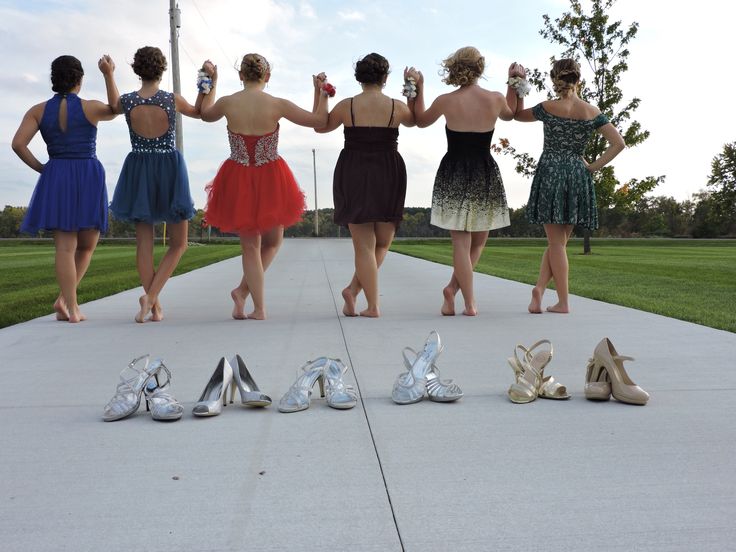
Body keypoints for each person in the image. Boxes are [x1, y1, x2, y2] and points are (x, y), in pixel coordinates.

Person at [199, 54, 329, 320]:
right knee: (269, 242)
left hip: (237, 175)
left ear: (241, 76)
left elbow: (205, 114)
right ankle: (257, 307)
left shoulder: (227, 102)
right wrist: (321, 93)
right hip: (270, 175)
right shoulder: (276, 103)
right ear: (267, 77)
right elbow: (319, 120)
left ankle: (243, 293)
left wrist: (210, 83)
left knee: (255, 245)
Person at [406, 47, 518, 316]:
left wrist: (417, 86)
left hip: (454, 169)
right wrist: (513, 81)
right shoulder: (494, 98)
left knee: (465, 240)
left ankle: (453, 291)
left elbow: (419, 121)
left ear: (455, 68)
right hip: (483, 169)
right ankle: (468, 303)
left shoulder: (446, 100)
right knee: (476, 240)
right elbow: (511, 112)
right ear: (480, 68)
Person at [514, 58, 625, 314]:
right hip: (577, 172)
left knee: (556, 243)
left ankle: (559, 300)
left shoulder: (547, 107)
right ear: (579, 80)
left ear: (555, 80)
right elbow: (618, 143)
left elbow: (517, 115)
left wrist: (518, 85)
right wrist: (592, 167)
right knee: (559, 243)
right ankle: (541, 290)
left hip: (551, 170)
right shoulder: (592, 111)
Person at [99, 47, 201, 323]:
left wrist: (109, 74)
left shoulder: (129, 101)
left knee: (144, 243)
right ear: (162, 69)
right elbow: (201, 112)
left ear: (136, 69)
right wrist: (207, 83)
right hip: (169, 168)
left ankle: (152, 304)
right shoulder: (172, 99)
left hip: (139, 168)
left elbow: (112, 105)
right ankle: (151, 299)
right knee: (179, 243)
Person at [12, 55, 117, 323]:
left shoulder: (37, 110)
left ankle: (65, 302)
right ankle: (72, 307)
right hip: (87, 173)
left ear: (53, 80)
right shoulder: (90, 107)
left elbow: (18, 144)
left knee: (65, 248)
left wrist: (43, 168)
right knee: (87, 246)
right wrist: (109, 74)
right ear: (79, 80)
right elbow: (116, 108)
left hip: (57, 173)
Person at [315, 53, 415, 318]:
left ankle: (354, 291)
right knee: (381, 243)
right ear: (385, 77)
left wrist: (321, 94)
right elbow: (417, 119)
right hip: (388, 171)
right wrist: (414, 88)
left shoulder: (346, 106)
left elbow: (321, 127)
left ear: (359, 77)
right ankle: (370, 305)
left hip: (354, 169)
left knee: (366, 246)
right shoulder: (397, 106)